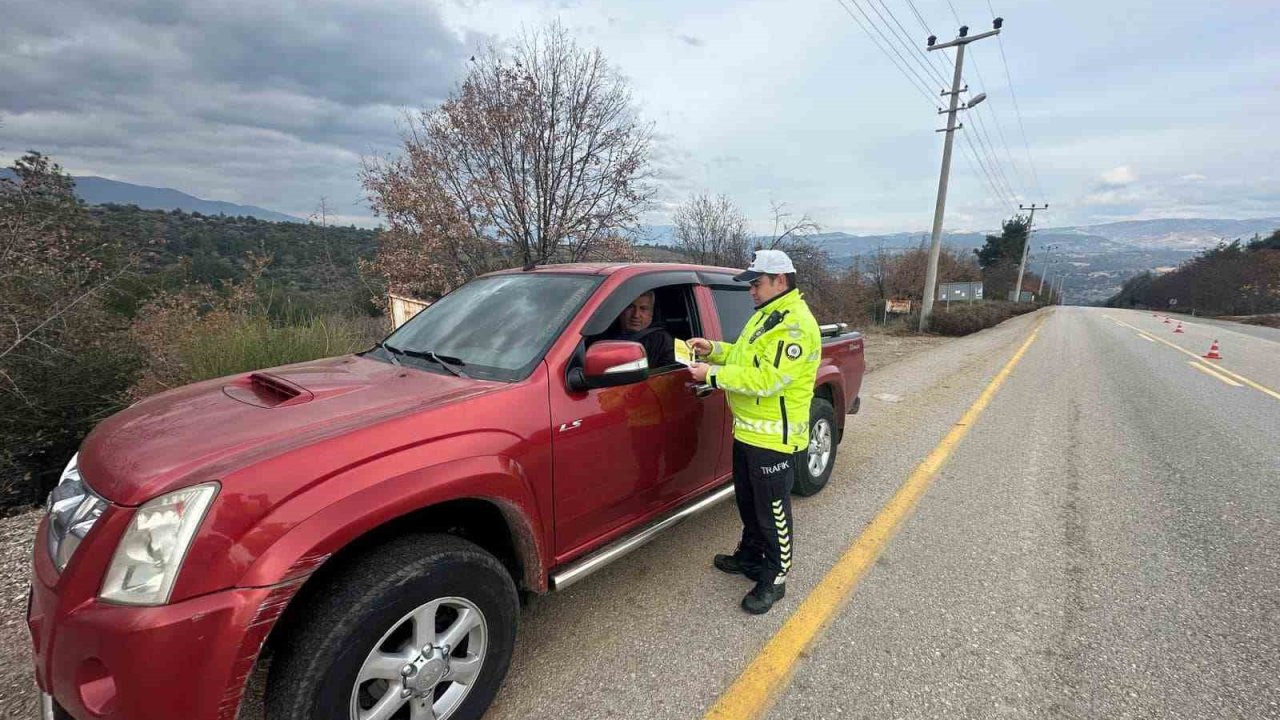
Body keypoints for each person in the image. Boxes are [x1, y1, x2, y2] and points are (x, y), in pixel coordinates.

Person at [688, 249, 821, 614]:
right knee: (748, 503)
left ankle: (775, 577)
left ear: (780, 281)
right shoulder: (767, 316)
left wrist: (710, 375)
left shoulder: (795, 325)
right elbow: (746, 359)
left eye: (757, 284)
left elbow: (767, 380)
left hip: (773, 438)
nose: (751, 291)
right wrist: (713, 350)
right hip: (748, 432)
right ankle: (749, 557)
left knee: (773, 511)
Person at [605, 290, 676, 368]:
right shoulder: (603, 332)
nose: (636, 315)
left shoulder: (662, 340)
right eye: (630, 307)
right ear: (621, 310)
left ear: (651, 312)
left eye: (643, 309)